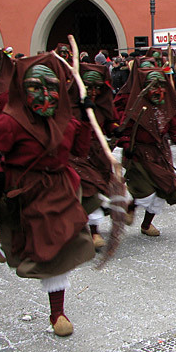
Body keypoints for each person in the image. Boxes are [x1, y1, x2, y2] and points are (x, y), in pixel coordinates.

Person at [0, 53, 95, 337]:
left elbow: (78, 151)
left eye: (51, 87)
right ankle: (9, 241)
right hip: (27, 189)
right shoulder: (9, 121)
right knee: (32, 237)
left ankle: (57, 313)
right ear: (22, 89)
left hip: (61, 189)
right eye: (35, 87)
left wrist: (87, 120)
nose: (45, 94)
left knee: (60, 245)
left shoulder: (67, 120)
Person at [118, 61, 176, 237]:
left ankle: (146, 224)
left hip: (160, 153)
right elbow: (123, 130)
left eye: (162, 86)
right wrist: (125, 144)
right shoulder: (135, 106)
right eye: (154, 87)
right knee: (146, 192)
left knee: (164, 189)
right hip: (138, 154)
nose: (159, 91)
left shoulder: (166, 107)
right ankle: (132, 205)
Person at [67, 63, 118, 248]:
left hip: (98, 152)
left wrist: (115, 130)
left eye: (98, 87)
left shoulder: (104, 103)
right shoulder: (68, 103)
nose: (95, 92)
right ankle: (94, 233)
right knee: (89, 190)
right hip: (74, 155)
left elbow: (110, 121)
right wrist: (81, 113)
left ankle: (90, 226)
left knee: (100, 187)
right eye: (90, 87)